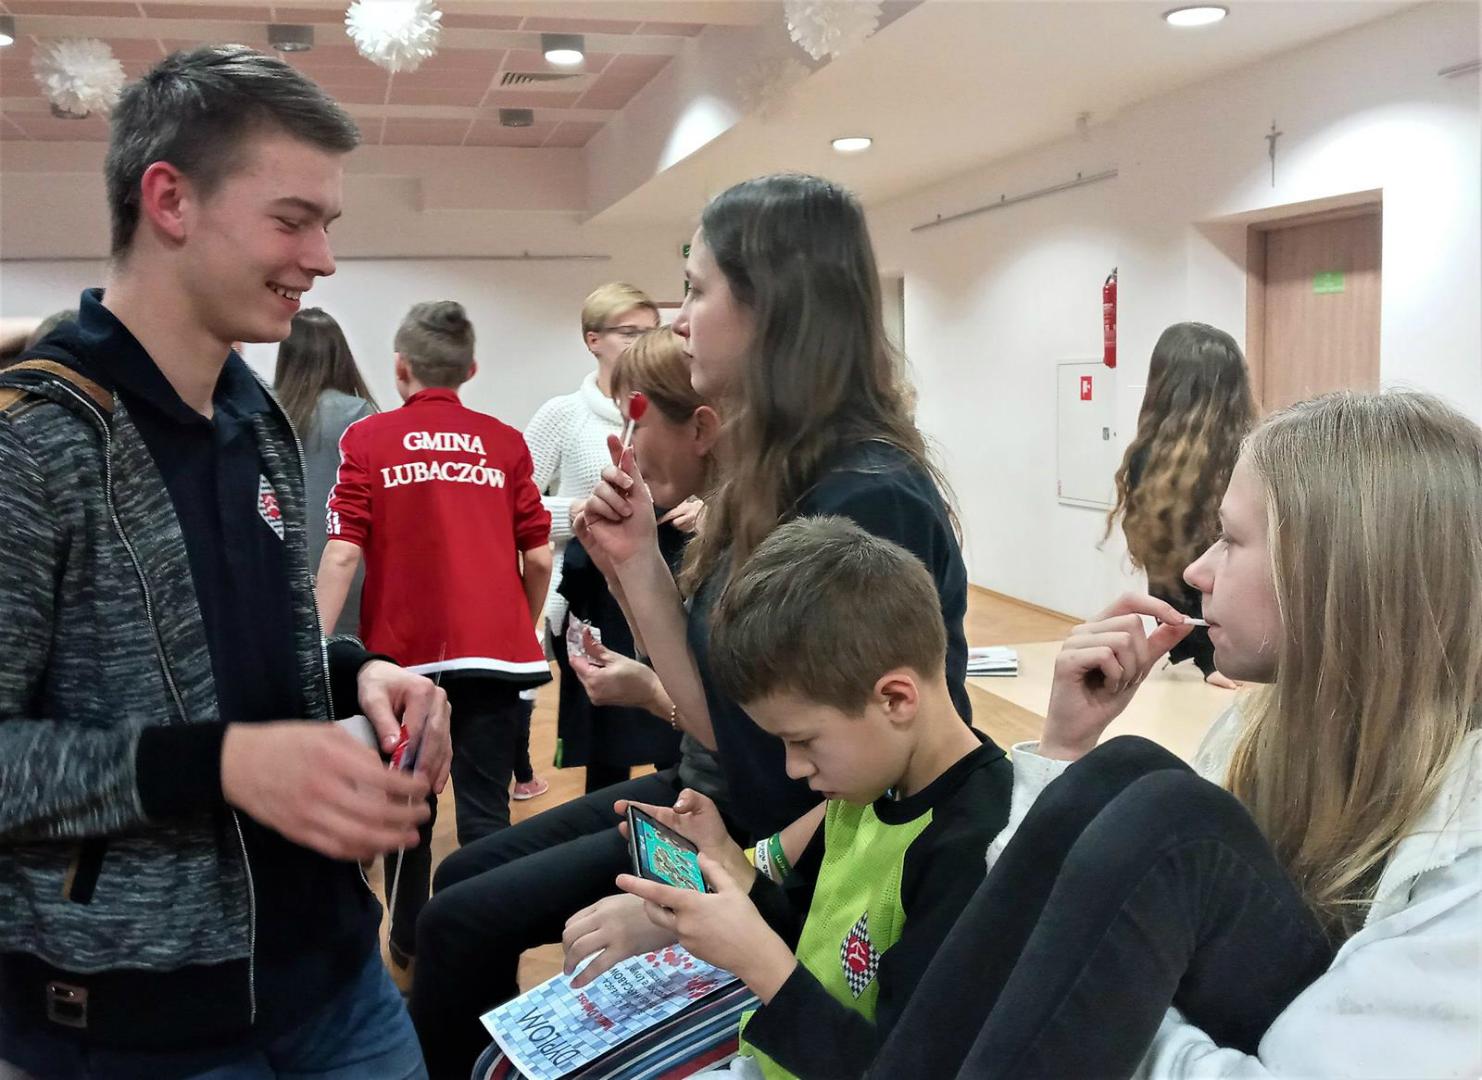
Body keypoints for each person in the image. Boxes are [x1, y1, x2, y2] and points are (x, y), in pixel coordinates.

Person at [411, 173, 978, 1078]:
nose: (677, 320)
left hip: (780, 846)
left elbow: (834, 781)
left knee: (455, 922)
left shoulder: (863, 497)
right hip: (730, 810)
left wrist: (699, 898)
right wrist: (636, 561)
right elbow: (727, 721)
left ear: (770, 309)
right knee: (457, 890)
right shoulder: (779, 477)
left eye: (696, 290)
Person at [0, 45, 450, 1078]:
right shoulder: (32, 446)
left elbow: (246, 653)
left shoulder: (255, 421)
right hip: (136, 1028)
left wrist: (358, 674)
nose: (322, 259)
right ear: (169, 200)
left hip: (338, 977)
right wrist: (220, 766)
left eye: (327, 224)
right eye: (293, 220)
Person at [869, 390, 1482, 1079]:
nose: (1196, 571)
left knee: (1170, 821)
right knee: (1124, 770)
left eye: (1232, 540)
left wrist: (1101, 991)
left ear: (1338, 575)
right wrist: (1067, 747)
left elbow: (1063, 954)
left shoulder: (1467, 847)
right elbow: (1038, 927)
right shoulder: (1259, 730)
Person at [564, 516, 1012, 1080]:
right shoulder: (871, 783)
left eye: (803, 741)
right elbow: (813, 936)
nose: (794, 768)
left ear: (895, 699)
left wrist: (757, 960)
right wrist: (731, 868)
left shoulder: (975, 849)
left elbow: (897, 1065)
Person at [316, 298, 551, 842]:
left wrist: (313, 651)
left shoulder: (368, 438)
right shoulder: (505, 441)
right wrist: (518, 624)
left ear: (401, 366)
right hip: (494, 656)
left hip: (403, 659)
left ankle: (408, 905)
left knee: (405, 815)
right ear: (471, 370)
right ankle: (486, 900)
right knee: (487, 817)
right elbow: (539, 557)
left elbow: (343, 552)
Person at [520, 282, 662, 798]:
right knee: (608, 748)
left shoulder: (668, 410)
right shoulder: (563, 414)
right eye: (630, 332)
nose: (643, 343)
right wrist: (578, 511)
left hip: (662, 588)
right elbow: (515, 505)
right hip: (588, 594)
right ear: (593, 340)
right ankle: (609, 830)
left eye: (652, 332)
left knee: (674, 732)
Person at [553, 328, 699, 788]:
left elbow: (728, 730)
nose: (624, 443)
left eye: (636, 423)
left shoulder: (749, 537)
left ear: (703, 427)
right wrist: (622, 569)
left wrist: (653, 694)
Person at [1105, 322, 1257, 689]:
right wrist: (1205, 655)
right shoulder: (1153, 461)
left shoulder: (1253, 456)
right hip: (1212, 646)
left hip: (1254, 644)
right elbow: (1167, 570)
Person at [273, 306, 377, 634]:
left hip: (277, 564)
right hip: (345, 568)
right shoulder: (359, 414)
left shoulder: (264, 412)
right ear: (340, 356)